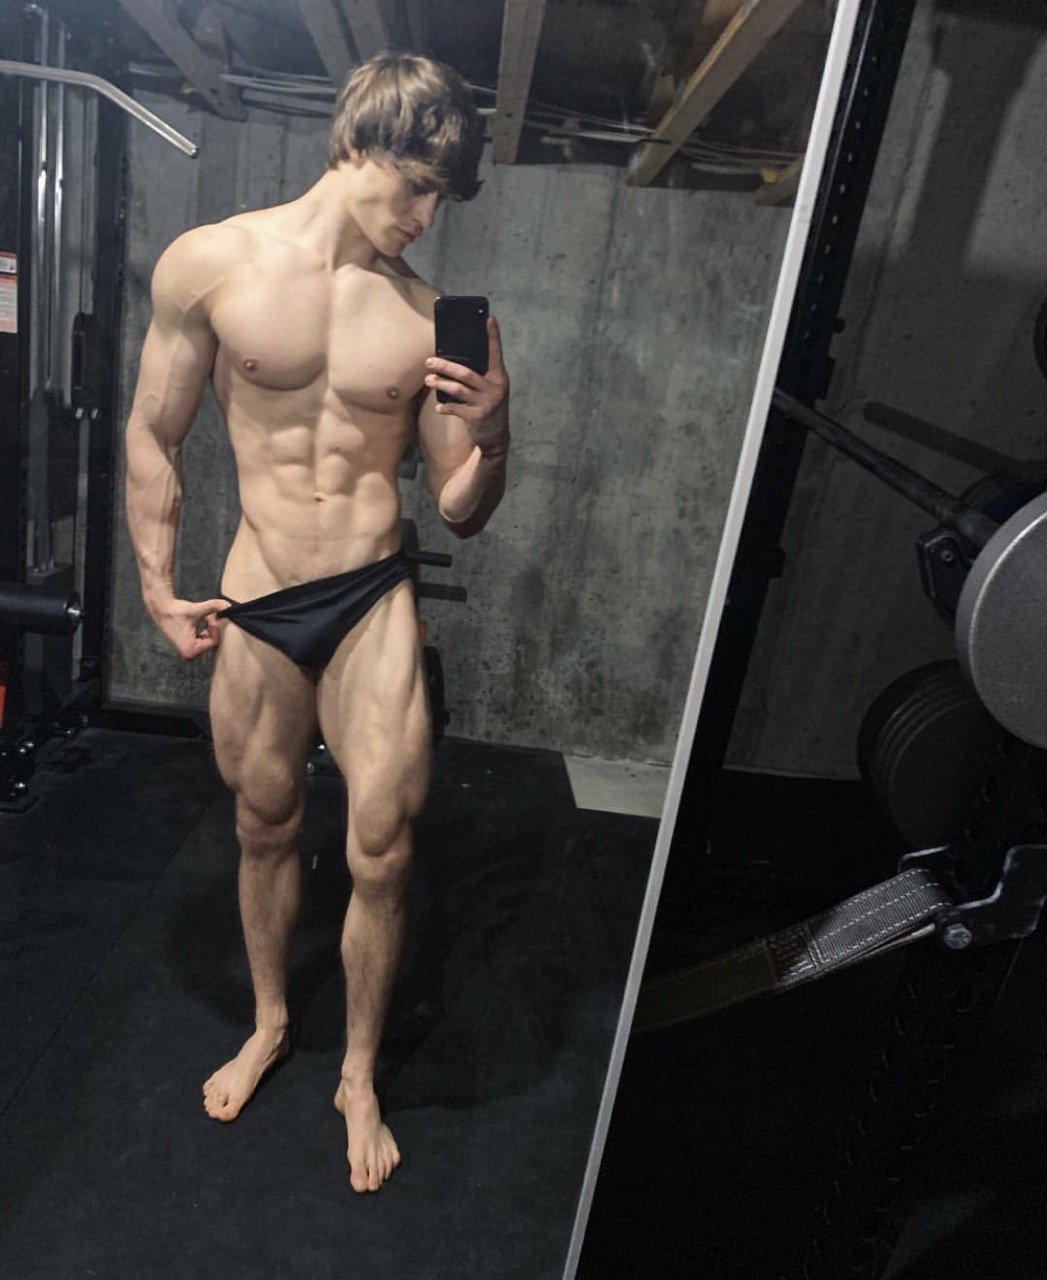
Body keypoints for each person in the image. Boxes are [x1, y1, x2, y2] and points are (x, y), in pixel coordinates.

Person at [123, 51, 510, 1194]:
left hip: (371, 594)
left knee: (383, 846)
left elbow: (462, 507)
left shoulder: (431, 316)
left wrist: (496, 431)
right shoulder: (212, 265)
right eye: (417, 186)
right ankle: (270, 1021)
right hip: (261, 587)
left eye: (442, 197)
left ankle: (358, 1071)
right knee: (263, 822)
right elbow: (153, 433)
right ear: (354, 145)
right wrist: (156, 584)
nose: (427, 216)